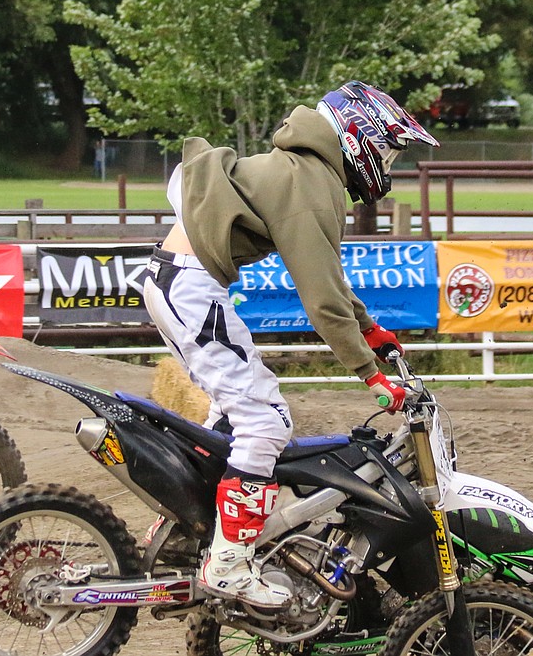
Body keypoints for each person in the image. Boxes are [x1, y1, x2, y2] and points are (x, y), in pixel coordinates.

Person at [142, 81, 438, 607]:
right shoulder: (311, 185)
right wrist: (369, 373)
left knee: (233, 419)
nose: (389, 164)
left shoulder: (307, 172)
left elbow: (330, 279)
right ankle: (228, 563)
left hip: (177, 281)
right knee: (266, 421)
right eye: (387, 150)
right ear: (358, 137)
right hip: (189, 288)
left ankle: (190, 531)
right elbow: (321, 298)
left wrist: (368, 329)